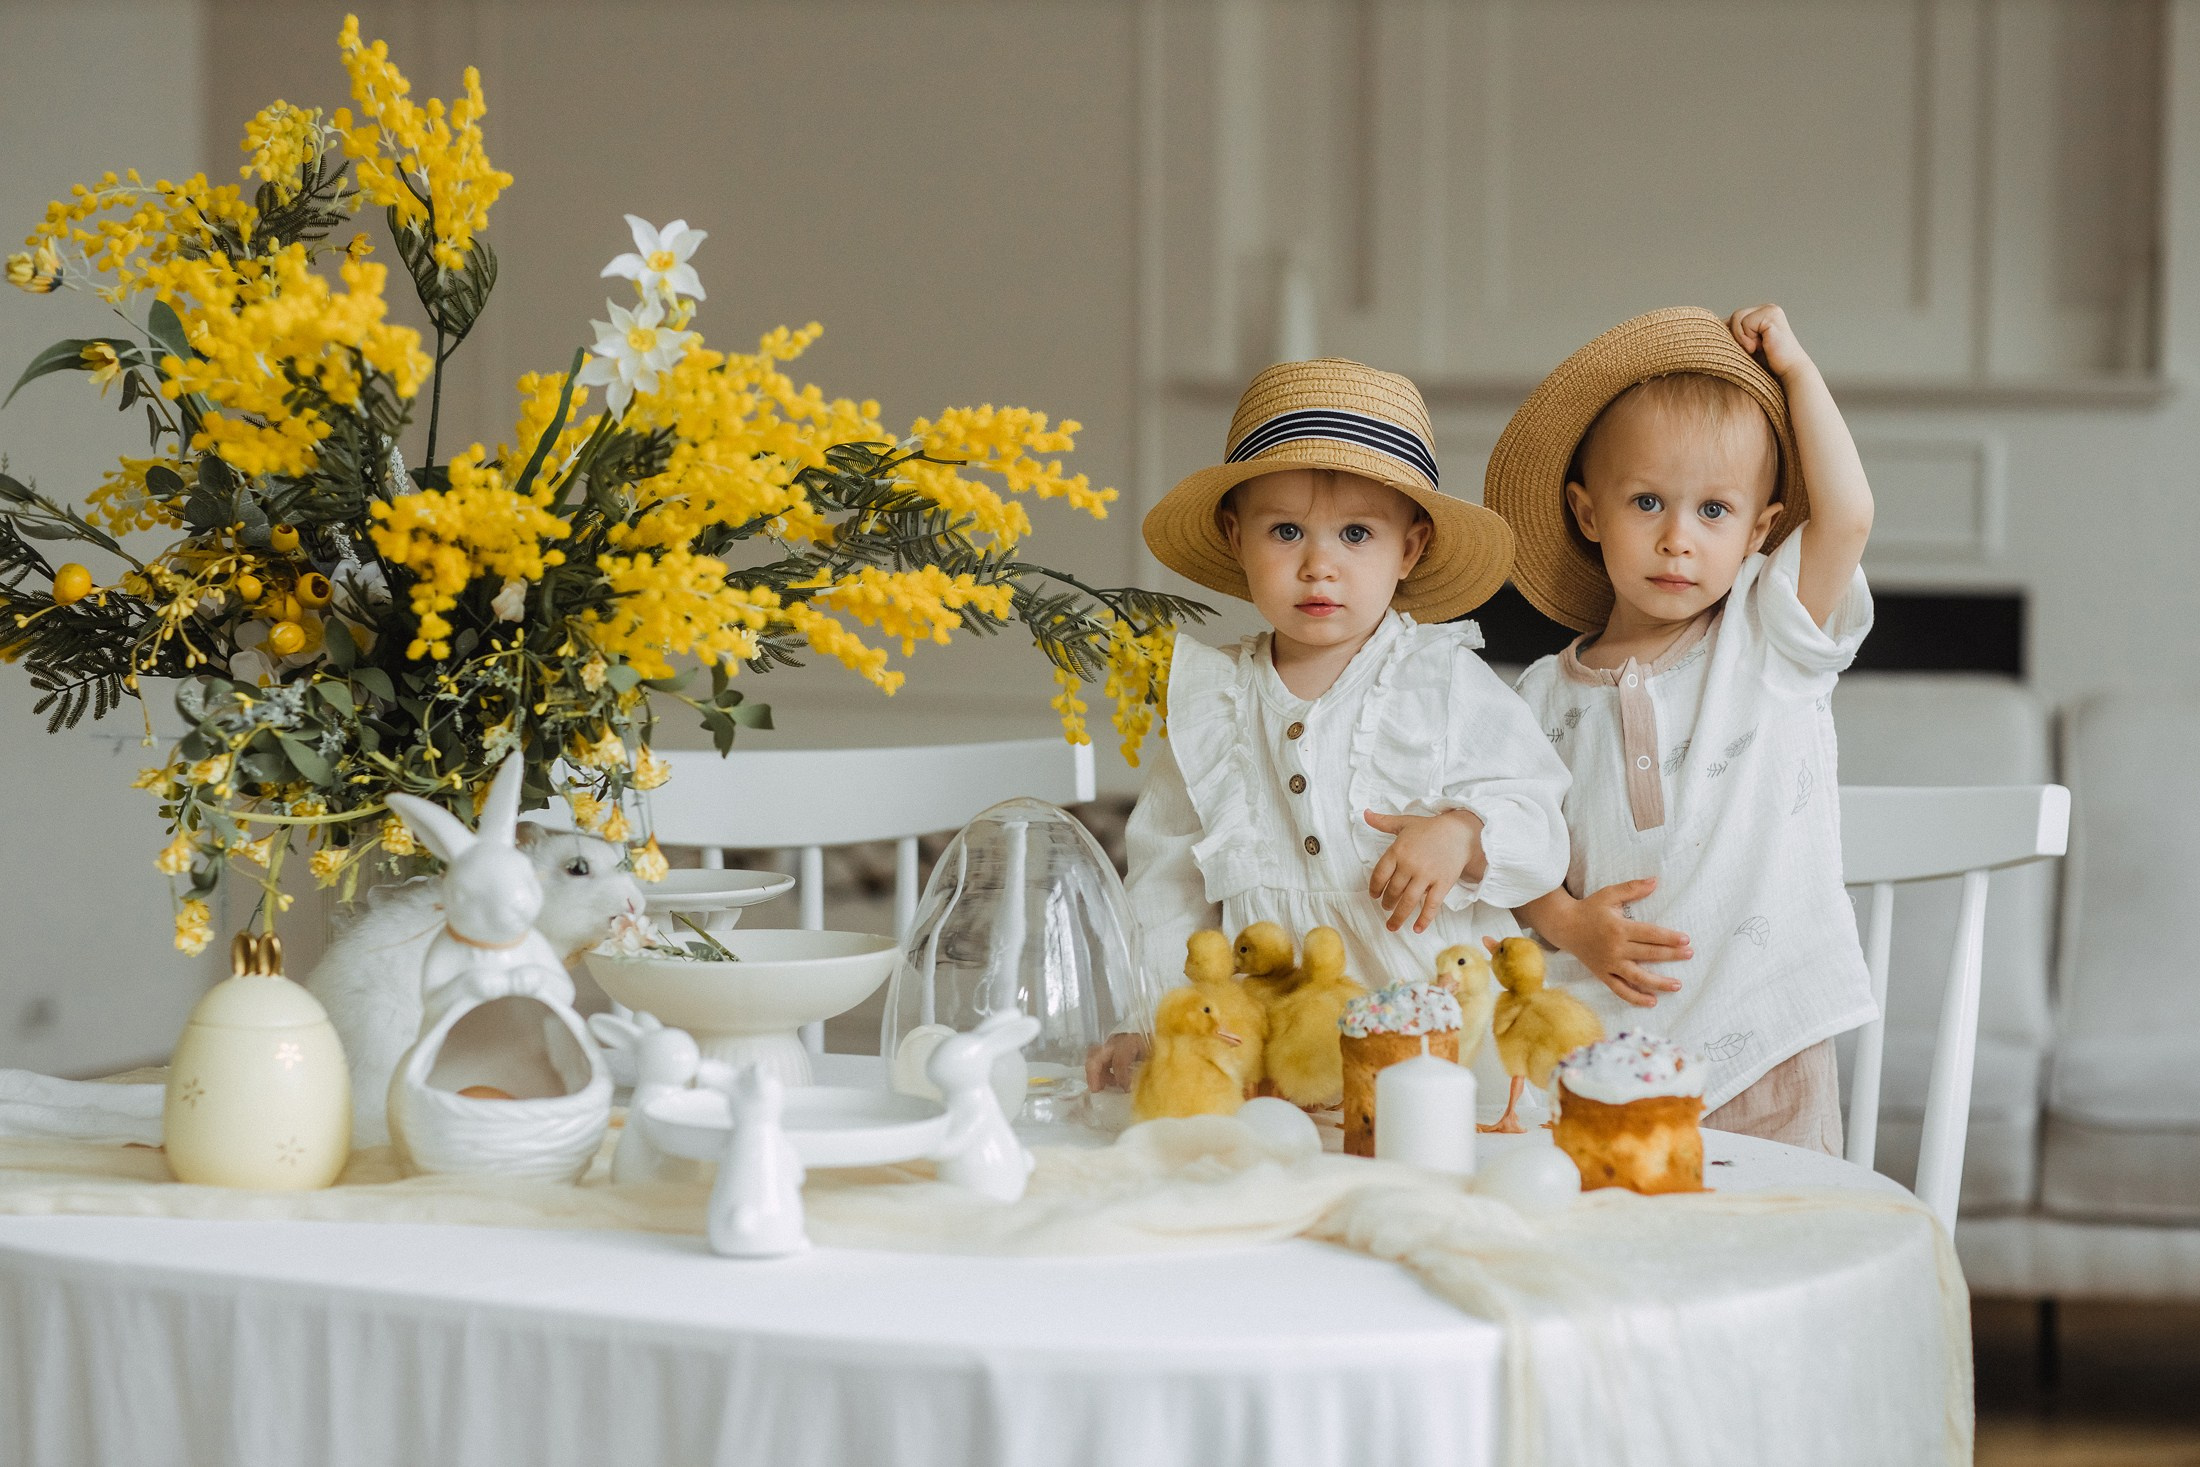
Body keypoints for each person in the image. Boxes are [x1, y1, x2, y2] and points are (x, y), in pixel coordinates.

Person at [1087, 357, 1570, 1091]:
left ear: (1408, 549)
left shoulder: (1440, 679)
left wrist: (1465, 832)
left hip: (1428, 1032)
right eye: (1285, 531)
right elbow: (1166, 881)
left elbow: (1541, 822)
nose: (1319, 565)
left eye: (1355, 534)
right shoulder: (1212, 700)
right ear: (1234, 536)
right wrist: (1153, 1016)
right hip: (1268, 1035)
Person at [1485, 304, 1876, 1154]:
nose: (1676, 539)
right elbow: (1511, 851)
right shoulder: (1543, 693)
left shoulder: (1766, 634)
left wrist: (1798, 371)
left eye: (1713, 511)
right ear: (1590, 514)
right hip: (1605, 1055)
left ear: (1759, 531)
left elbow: (1846, 517)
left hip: (1766, 1037)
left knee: (1776, 1255)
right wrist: (1565, 919)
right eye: (1649, 502)